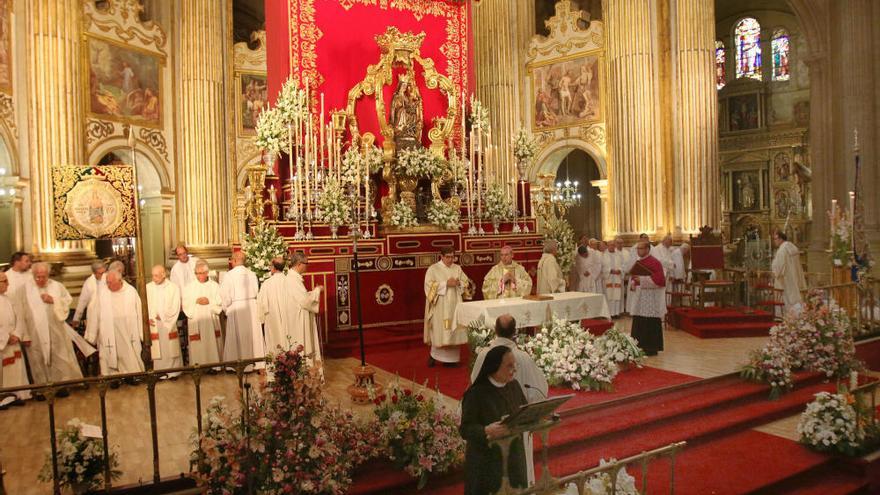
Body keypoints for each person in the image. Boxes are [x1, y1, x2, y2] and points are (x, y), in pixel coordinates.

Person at [470, 314, 548, 485]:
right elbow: (539, 391)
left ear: (495, 330)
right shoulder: (522, 357)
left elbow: (473, 381)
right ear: (514, 332)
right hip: (505, 428)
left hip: (499, 423)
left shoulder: (484, 354)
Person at [460, 345, 528, 494]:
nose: (514, 369)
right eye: (509, 366)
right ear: (494, 367)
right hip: (487, 464)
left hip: (514, 458)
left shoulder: (514, 386)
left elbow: (524, 411)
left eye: (515, 364)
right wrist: (486, 430)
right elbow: (465, 429)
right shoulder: (476, 394)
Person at [19, 263, 85, 385]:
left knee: (59, 358)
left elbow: (67, 300)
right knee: (37, 360)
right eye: (37, 277)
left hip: (55, 330)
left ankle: (61, 385)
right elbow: (20, 313)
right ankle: (42, 388)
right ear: (33, 275)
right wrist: (25, 335)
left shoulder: (57, 286)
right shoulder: (25, 289)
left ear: (48, 275)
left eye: (43, 277)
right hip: (34, 332)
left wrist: (53, 300)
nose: (41, 280)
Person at [85, 270, 145, 375]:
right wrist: (92, 334)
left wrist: (142, 332)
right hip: (108, 329)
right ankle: (113, 377)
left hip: (127, 330)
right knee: (109, 354)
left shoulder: (130, 291)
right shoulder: (103, 293)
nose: (107, 285)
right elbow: (95, 313)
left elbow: (140, 311)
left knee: (129, 354)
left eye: (110, 282)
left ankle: (132, 375)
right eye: (107, 282)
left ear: (119, 281)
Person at [424, 247, 471, 367]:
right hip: (441, 306)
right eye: (448, 257)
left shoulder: (457, 268)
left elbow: (466, 284)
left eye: (452, 257)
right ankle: (434, 356)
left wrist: (460, 283)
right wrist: (445, 284)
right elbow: (429, 287)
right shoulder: (433, 269)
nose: (451, 260)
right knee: (441, 331)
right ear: (442, 256)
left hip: (455, 305)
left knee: (453, 330)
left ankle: (451, 360)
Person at [219, 252, 264, 369]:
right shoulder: (252, 274)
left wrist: (226, 309)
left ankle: (237, 365)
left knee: (238, 337)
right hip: (252, 307)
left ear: (234, 261)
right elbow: (256, 291)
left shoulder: (229, 275)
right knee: (253, 336)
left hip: (237, 308)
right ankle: (257, 363)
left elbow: (225, 296)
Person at [182, 260, 223, 365]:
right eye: (197, 273)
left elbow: (219, 302)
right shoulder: (189, 287)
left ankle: (214, 366)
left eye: (201, 273)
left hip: (211, 320)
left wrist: (209, 301)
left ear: (206, 273)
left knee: (212, 342)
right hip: (197, 319)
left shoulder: (215, 286)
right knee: (198, 344)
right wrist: (195, 301)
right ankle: (198, 366)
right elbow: (185, 303)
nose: (198, 275)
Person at [629, 242, 667, 356]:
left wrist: (642, 280)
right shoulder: (639, 263)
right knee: (639, 320)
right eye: (637, 249)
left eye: (640, 248)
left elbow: (660, 280)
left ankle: (651, 348)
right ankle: (638, 346)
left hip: (651, 298)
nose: (638, 251)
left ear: (647, 249)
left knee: (650, 322)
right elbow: (634, 276)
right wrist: (633, 282)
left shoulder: (655, 263)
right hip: (640, 297)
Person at [0, 272, 31, 406]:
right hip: (3, 342)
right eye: (4, 281)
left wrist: (17, 334)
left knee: (16, 369)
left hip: (13, 341)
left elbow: (19, 318)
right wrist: (6, 337)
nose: (8, 284)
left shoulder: (8, 299)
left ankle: (18, 395)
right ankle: (4, 399)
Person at [286, 253, 324, 364]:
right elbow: (304, 301)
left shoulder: (293, 278)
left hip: (296, 315)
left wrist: (312, 292)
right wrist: (317, 290)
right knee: (302, 342)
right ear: (298, 264)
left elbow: (301, 297)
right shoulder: (292, 279)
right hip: (298, 317)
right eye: (306, 263)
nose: (307, 266)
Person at [146, 265, 182, 376]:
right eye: (152, 276)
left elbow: (176, 306)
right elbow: (143, 305)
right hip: (154, 323)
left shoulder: (173, 287)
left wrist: (162, 316)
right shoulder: (148, 287)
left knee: (171, 348)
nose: (154, 278)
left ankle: (174, 372)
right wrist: (148, 317)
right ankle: (159, 372)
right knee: (158, 349)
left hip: (168, 322)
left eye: (156, 276)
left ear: (163, 275)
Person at [258, 257, 294, 354]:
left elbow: (262, 304)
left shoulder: (267, 284)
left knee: (274, 341)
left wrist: (261, 319)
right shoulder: (290, 281)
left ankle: (275, 364)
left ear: (273, 267)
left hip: (272, 317)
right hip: (289, 316)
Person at [771, 230, 807, 314]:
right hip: (795, 278)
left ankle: (786, 320)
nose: (774, 241)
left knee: (787, 302)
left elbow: (778, 268)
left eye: (775, 239)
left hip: (786, 281)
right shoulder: (793, 247)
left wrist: (773, 269)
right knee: (796, 298)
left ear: (781, 239)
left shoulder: (782, 250)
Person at [72, 261, 107, 328]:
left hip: (107, 314)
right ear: (94, 273)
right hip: (94, 315)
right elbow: (82, 301)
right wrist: (76, 318)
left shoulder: (109, 279)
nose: (103, 275)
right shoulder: (89, 283)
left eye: (104, 272)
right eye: (100, 273)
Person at [603, 240, 625, 317]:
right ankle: (610, 313)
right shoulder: (604, 255)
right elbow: (602, 267)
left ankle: (616, 313)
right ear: (607, 246)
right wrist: (610, 270)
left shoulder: (619, 255)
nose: (612, 246)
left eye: (613, 245)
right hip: (609, 277)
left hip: (617, 277)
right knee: (609, 295)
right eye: (610, 245)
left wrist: (620, 270)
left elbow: (623, 265)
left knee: (617, 295)